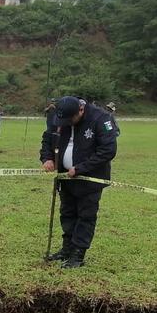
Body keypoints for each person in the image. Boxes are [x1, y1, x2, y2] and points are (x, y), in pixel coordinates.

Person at [40, 96, 118, 268]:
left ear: (81, 110)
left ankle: (78, 254)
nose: (66, 123)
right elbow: (47, 137)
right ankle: (67, 249)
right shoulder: (61, 116)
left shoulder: (101, 118)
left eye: (70, 120)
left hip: (89, 180)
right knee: (67, 213)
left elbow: (108, 150)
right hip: (66, 178)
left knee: (85, 216)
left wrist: (81, 168)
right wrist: (47, 158)